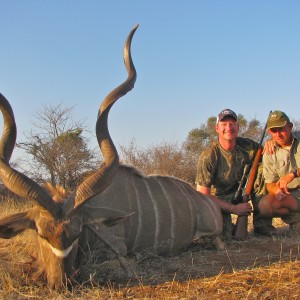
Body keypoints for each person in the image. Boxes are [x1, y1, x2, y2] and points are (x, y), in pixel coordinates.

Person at [195, 108, 275, 239]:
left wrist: (271, 142)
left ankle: (262, 226)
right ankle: (230, 229)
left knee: (261, 171)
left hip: (243, 192)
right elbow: (203, 195)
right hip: (220, 200)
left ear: (238, 127)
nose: (229, 127)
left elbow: (267, 154)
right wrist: (234, 209)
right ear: (217, 128)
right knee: (224, 236)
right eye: (224, 124)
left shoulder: (248, 146)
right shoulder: (208, 155)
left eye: (232, 124)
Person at [259, 110, 300, 233]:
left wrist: (293, 174)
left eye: (281, 129)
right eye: (274, 131)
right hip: (293, 196)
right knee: (265, 206)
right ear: (269, 132)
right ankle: (296, 219)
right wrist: (276, 190)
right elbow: (269, 182)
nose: (278, 134)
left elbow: (291, 175)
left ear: (290, 126)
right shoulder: (269, 152)